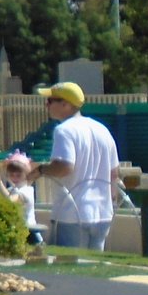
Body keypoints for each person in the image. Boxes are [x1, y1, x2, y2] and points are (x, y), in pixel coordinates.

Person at [27, 82, 121, 251]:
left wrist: (40, 170)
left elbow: (64, 167)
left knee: (68, 263)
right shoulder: (102, 129)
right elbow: (114, 173)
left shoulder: (64, 130)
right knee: (93, 265)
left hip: (72, 213)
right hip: (102, 213)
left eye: (50, 101)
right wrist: (111, 203)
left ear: (66, 104)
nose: (46, 105)